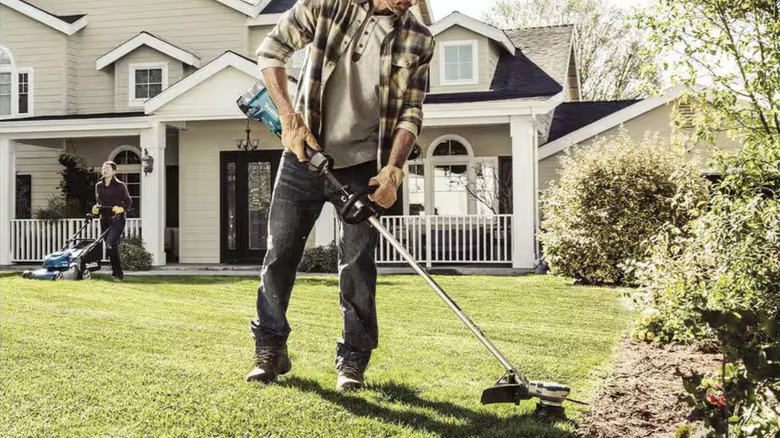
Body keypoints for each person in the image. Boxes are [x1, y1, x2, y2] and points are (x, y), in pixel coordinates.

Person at [245, 0, 435, 391]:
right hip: (304, 152)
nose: (409, 2)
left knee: (358, 264)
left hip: (366, 165)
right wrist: (289, 118)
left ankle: (353, 361)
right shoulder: (327, 5)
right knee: (279, 254)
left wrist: (394, 170)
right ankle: (269, 349)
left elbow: (411, 113)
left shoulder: (418, 39)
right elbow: (272, 50)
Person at [92, 161, 133, 281]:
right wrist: (96, 208)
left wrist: (121, 208)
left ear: (114, 171)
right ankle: (117, 273)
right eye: (103, 168)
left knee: (110, 244)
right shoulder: (98, 185)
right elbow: (99, 202)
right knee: (110, 246)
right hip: (104, 218)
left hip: (117, 219)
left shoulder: (120, 185)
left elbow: (128, 202)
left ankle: (117, 274)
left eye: (108, 168)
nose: (105, 170)